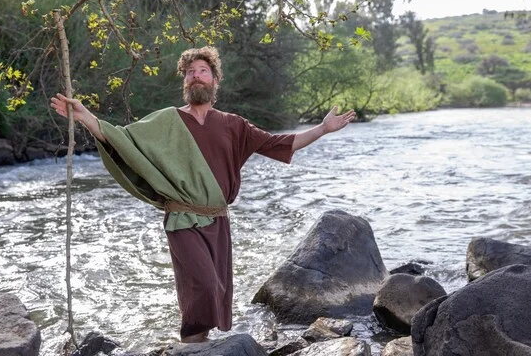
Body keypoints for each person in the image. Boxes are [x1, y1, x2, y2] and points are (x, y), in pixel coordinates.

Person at [50, 46, 356, 343]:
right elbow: (121, 139)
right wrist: (85, 116)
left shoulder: (233, 125)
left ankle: (198, 344)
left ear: (215, 80)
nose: (196, 76)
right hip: (182, 217)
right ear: (185, 81)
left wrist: (322, 129)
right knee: (204, 283)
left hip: (217, 220)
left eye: (203, 71)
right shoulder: (166, 121)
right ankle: (190, 342)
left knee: (211, 290)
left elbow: (281, 143)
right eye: (190, 72)